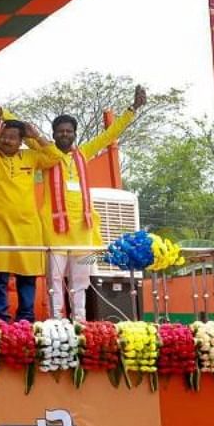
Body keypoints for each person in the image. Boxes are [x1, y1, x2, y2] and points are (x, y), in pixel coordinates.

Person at [39, 86, 147, 320]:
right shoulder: (46, 156)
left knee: (81, 278)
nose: (64, 135)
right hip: (55, 231)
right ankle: (56, 320)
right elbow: (27, 133)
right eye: (60, 132)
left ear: (74, 134)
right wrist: (0, 111)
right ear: (54, 134)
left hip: (84, 231)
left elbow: (109, 135)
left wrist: (132, 109)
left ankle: (79, 318)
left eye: (68, 131)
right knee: (55, 278)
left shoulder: (84, 153)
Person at [0, 100, 59, 323]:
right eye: (4, 136)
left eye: (13, 137)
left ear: (21, 141)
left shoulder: (30, 157)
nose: (7, 140)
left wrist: (36, 136)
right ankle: (0, 320)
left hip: (27, 227)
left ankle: (26, 320)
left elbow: (54, 157)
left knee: (27, 277)